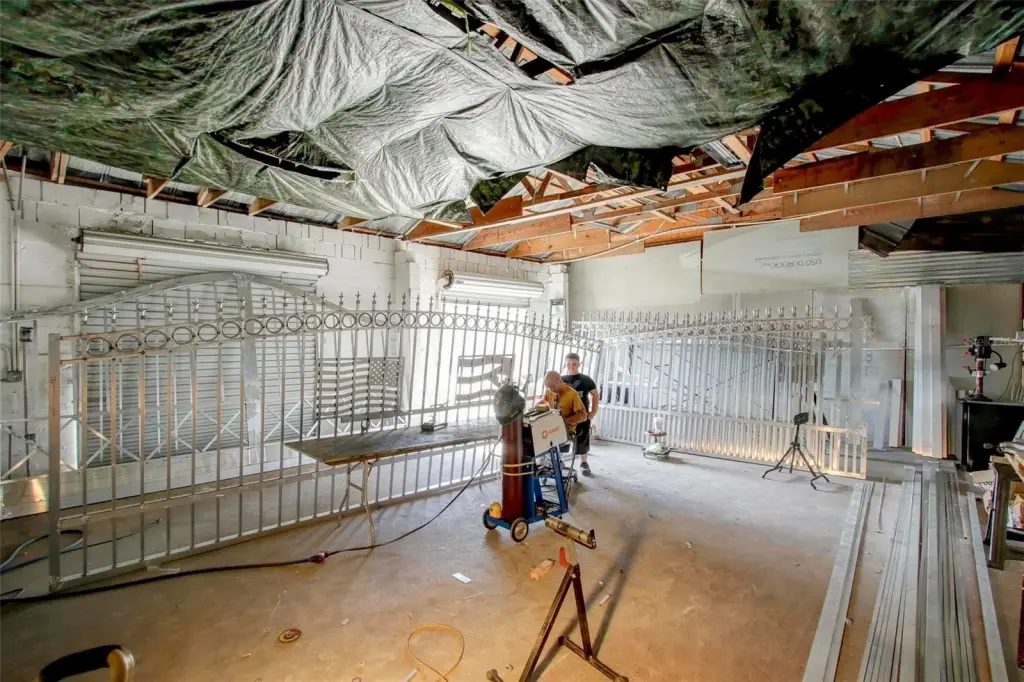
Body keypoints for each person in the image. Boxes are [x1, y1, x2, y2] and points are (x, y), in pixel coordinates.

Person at [562, 353, 599, 475]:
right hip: (565, 418)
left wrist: (593, 412)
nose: (571, 366)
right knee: (561, 440)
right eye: (568, 364)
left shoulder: (585, 379)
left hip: (582, 417)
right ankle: (559, 462)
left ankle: (584, 463)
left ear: (579, 364)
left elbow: (595, 394)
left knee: (582, 440)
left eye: (574, 364)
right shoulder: (561, 380)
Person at [540, 371, 588, 438]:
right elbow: (543, 401)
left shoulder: (572, 394)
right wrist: (536, 407)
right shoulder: (549, 391)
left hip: (566, 431)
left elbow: (583, 415)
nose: (550, 390)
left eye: (552, 387)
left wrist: (563, 421)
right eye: (548, 388)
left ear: (559, 381)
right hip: (551, 430)